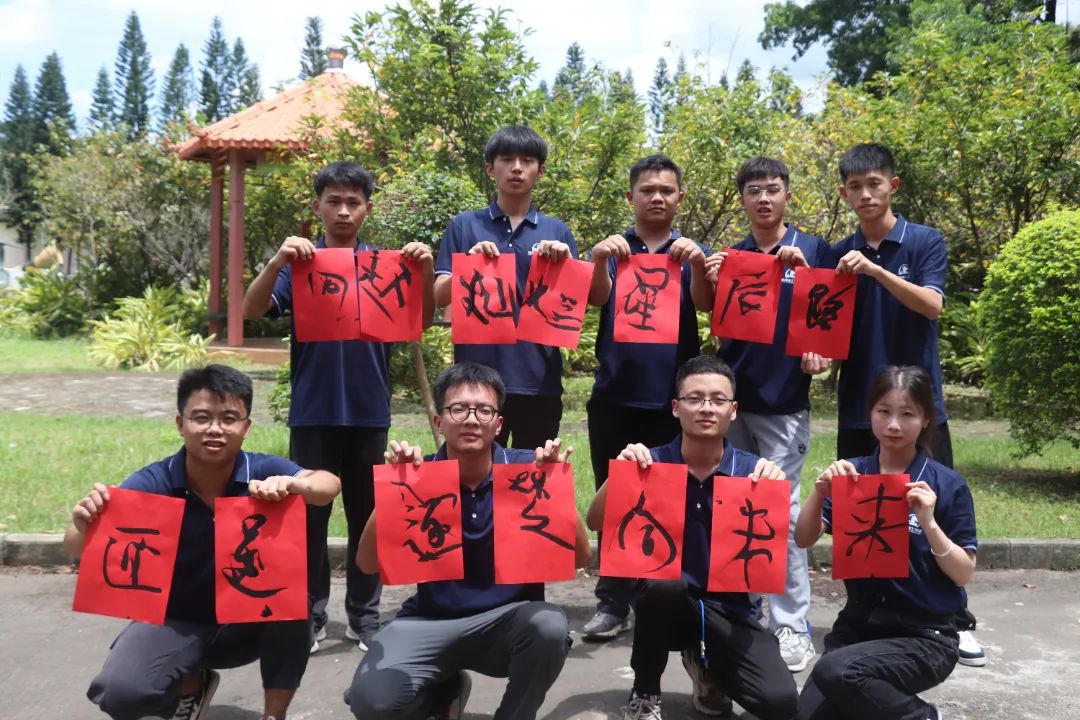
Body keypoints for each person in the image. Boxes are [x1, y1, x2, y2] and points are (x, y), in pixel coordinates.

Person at [65, 364, 342, 720]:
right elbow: (76, 547)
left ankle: (274, 714)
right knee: (120, 693)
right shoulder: (154, 483)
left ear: (246, 427)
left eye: (229, 418)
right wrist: (83, 524)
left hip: (249, 622)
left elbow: (328, 485)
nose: (214, 429)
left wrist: (297, 485)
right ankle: (191, 684)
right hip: (178, 619)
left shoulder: (263, 470)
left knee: (294, 605)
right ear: (180, 424)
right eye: (201, 417)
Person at [242, 161, 435, 653]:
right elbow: (251, 310)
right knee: (308, 519)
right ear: (318, 207)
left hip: (370, 413)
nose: (344, 211)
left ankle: (364, 618)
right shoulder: (300, 264)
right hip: (313, 411)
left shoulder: (386, 266)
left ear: (368, 209)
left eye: (354, 202)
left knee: (369, 518)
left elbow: (422, 321)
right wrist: (277, 261)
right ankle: (309, 617)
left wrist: (425, 269)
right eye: (334, 201)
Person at [344, 362, 592, 720]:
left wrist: (554, 486)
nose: (471, 419)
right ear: (438, 421)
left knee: (550, 626)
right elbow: (367, 563)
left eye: (484, 411)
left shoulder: (526, 471)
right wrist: (397, 489)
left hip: (506, 622)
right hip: (429, 620)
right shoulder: (422, 476)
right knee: (371, 703)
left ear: (499, 424)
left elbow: (580, 557)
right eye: (458, 409)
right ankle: (445, 694)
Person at [830, 143, 984, 665]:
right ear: (845, 193)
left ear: (892, 186)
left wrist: (876, 272)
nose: (865, 194)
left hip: (919, 406)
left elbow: (933, 305)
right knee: (861, 521)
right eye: (855, 187)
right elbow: (824, 324)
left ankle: (954, 619)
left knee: (936, 511)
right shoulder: (838, 252)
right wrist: (814, 353)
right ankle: (867, 617)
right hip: (861, 404)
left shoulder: (923, 241)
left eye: (874, 184)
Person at [587, 356, 798, 720]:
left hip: (731, 612)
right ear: (675, 407)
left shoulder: (753, 474)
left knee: (780, 703)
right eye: (694, 398)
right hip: (667, 607)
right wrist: (620, 475)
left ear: (733, 411)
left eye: (718, 400)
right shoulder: (649, 464)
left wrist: (775, 487)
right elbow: (595, 521)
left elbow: (776, 550)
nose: (706, 408)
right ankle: (645, 692)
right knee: (661, 586)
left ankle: (707, 668)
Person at [701, 156, 831, 672]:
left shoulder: (814, 250)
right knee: (736, 507)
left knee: (781, 510)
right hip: (734, 403)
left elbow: (829, 321)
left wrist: (821, 354)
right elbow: (718, 326)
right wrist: (713, 282)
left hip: (784, 404)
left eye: (772, 189)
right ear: (742, 199)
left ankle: (792, 623)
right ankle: (744, 610)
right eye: (753, 190)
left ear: (787, 196)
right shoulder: (731, 257)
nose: (763, 198)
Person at [794, 365, 978, 720]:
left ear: (926, 419)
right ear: (871, 414)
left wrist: (928, 522)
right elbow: (803, 538)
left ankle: (924, 717)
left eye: (907, 414)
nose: (894, 425)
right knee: (809, 711)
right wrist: (819, 493)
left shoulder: (946, 484)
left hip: (924, 637)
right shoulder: (853, 475)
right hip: (858, 630)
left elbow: (963, 573)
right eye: (884, 412)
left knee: (838, 672)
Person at [582, 153, 713, 642]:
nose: (657, 197)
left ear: (680, 198)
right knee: (616, 496)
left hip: (674, 400)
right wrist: (598, 259)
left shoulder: (691, 251)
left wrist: (698, 264)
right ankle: (613, 601)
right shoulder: (615, 249)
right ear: (631, 197)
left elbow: (707, 305)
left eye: (666, 190)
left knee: (669, 499)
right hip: (615, 394)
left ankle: (660, 598)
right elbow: (594, 299)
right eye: (647, 190)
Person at [433, 125, 578, 450]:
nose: (516, 168)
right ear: (490, 168)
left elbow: (574, 308)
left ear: (540, 171)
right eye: (507, 159)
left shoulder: (558, 232)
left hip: (538, 381)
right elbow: (439, 295)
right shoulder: (464, 226)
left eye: (527, 161)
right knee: (474, 472)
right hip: (475, 384)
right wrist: (468, 266)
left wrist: (567, 266)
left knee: (533, 472)